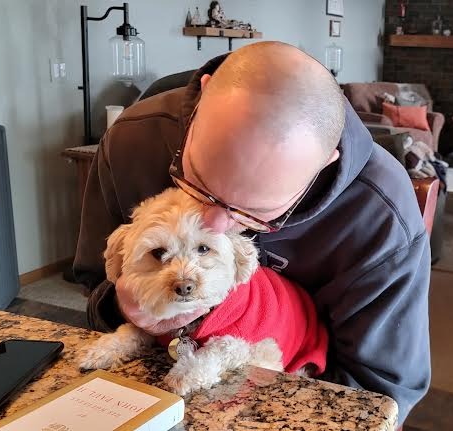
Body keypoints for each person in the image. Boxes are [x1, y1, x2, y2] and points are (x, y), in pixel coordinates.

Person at [73, 41, 431, 424]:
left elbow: (376, 397)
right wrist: (121, 304)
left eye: (253, 213)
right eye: (199, 183)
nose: (214, 225)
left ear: (324, 164)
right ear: (203, 99)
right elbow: (93, 286)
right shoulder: (130, 142)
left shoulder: (383, 217)